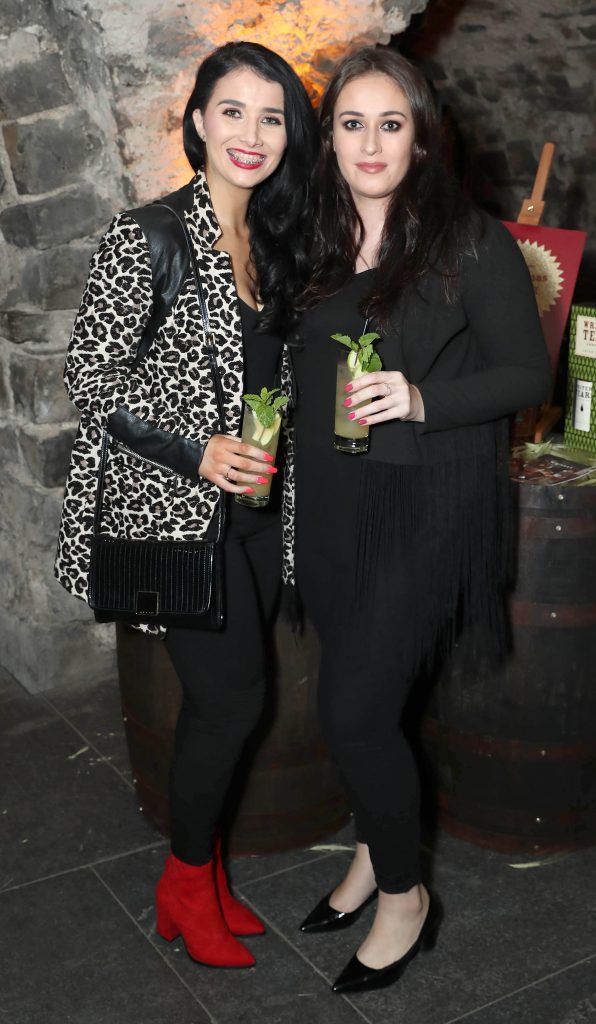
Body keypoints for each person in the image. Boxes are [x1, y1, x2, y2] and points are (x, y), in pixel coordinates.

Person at [291, 46, 551, 993]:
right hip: (326, 500)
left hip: (425, 503)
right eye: (351, 124)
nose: (370, 143)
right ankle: (372, 850)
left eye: (389, 124)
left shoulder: (467, 240)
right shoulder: (311, 235)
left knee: (354, 712)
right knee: (367, 701)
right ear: (329, 140)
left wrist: (421, 396)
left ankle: (405, 896)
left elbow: (529, 372)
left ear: (420, 135)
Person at [54, 41, 316, 968]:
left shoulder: (269, 239)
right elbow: (91, 377)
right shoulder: (150, 233)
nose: (251, 134)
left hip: (251, 511)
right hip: (174, 515)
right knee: (231, 700)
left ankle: (202, 879)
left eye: (272, 116)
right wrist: (196, 448)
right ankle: (182, 877)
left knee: (235, 702)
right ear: (197, 121)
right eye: (232, 111)